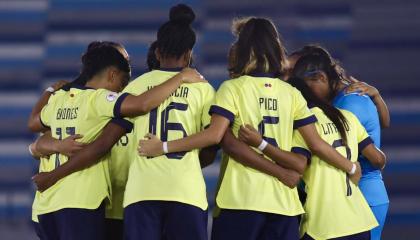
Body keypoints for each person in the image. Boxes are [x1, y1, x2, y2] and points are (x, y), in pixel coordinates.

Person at [138, 17, 363, 240]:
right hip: (284, 206)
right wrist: (350, 167)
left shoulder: (232, 89)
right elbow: (309, 151)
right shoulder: (292, 93)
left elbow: (216, 135)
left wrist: (163, 146)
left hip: (240, 201)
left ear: (244, 49)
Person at [27, 41, 204, 240]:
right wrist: (180, 77)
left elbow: (35, 128)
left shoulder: (62, 98)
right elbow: (102, 144)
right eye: (124, 73)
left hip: (49, 206)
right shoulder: (105, 101)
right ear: (111, 72)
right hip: (87, 201)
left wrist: (50, 91)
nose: (126, 82)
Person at [289, 45, 390, 240]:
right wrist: (377, 97)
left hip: (363, 191)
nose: (304, 95)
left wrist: (351, 167)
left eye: (306, 88)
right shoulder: (339, 103)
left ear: (321, 77)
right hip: (354, 191)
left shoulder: (348, 105)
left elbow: (373, 156)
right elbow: (383, 123)